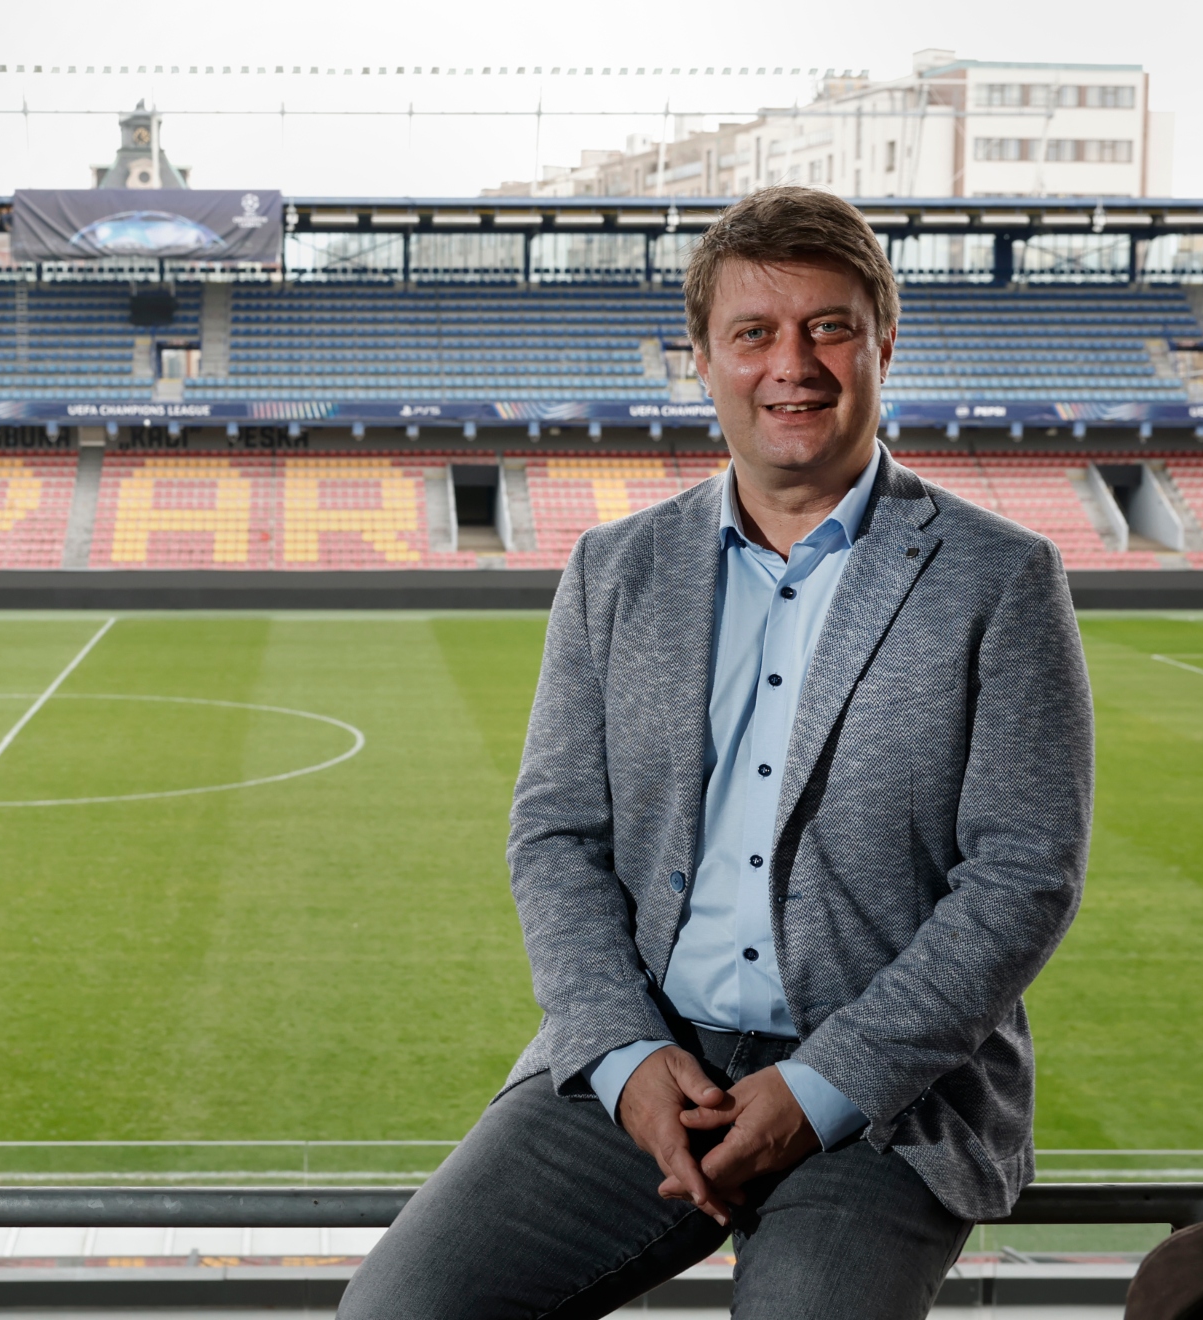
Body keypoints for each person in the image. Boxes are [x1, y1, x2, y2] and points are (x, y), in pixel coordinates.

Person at [338, 185, 1095, 1320]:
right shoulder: (615, 569)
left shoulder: (1000, 579)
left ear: (884, 343)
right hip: (644, 1069)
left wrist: (826, 1084)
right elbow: (556, 835)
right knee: (399, 1311)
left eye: (829, 327)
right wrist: (623, 1057)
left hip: (883, 1096)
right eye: (754, 334)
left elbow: (1024, 873)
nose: (793, 365)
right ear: (701, 357)